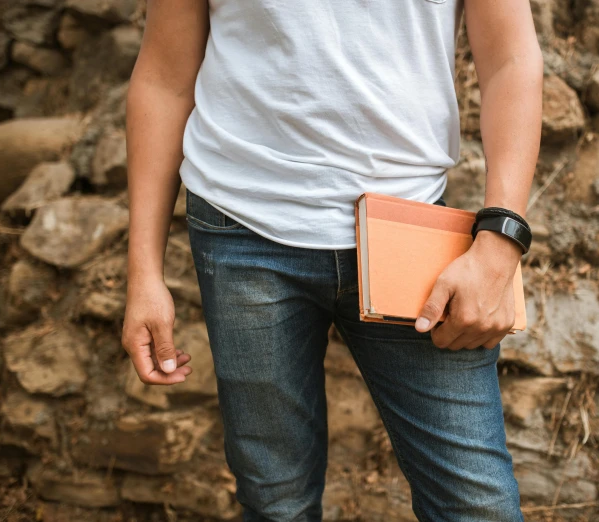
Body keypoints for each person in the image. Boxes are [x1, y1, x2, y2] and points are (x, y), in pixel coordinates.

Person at [122, 0, 543, 520]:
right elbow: (163, 78)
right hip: (241, 230)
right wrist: (143, 274)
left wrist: (501, 240)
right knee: (276, 501)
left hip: (409, 236)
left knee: (478, 505)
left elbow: (511, 59)